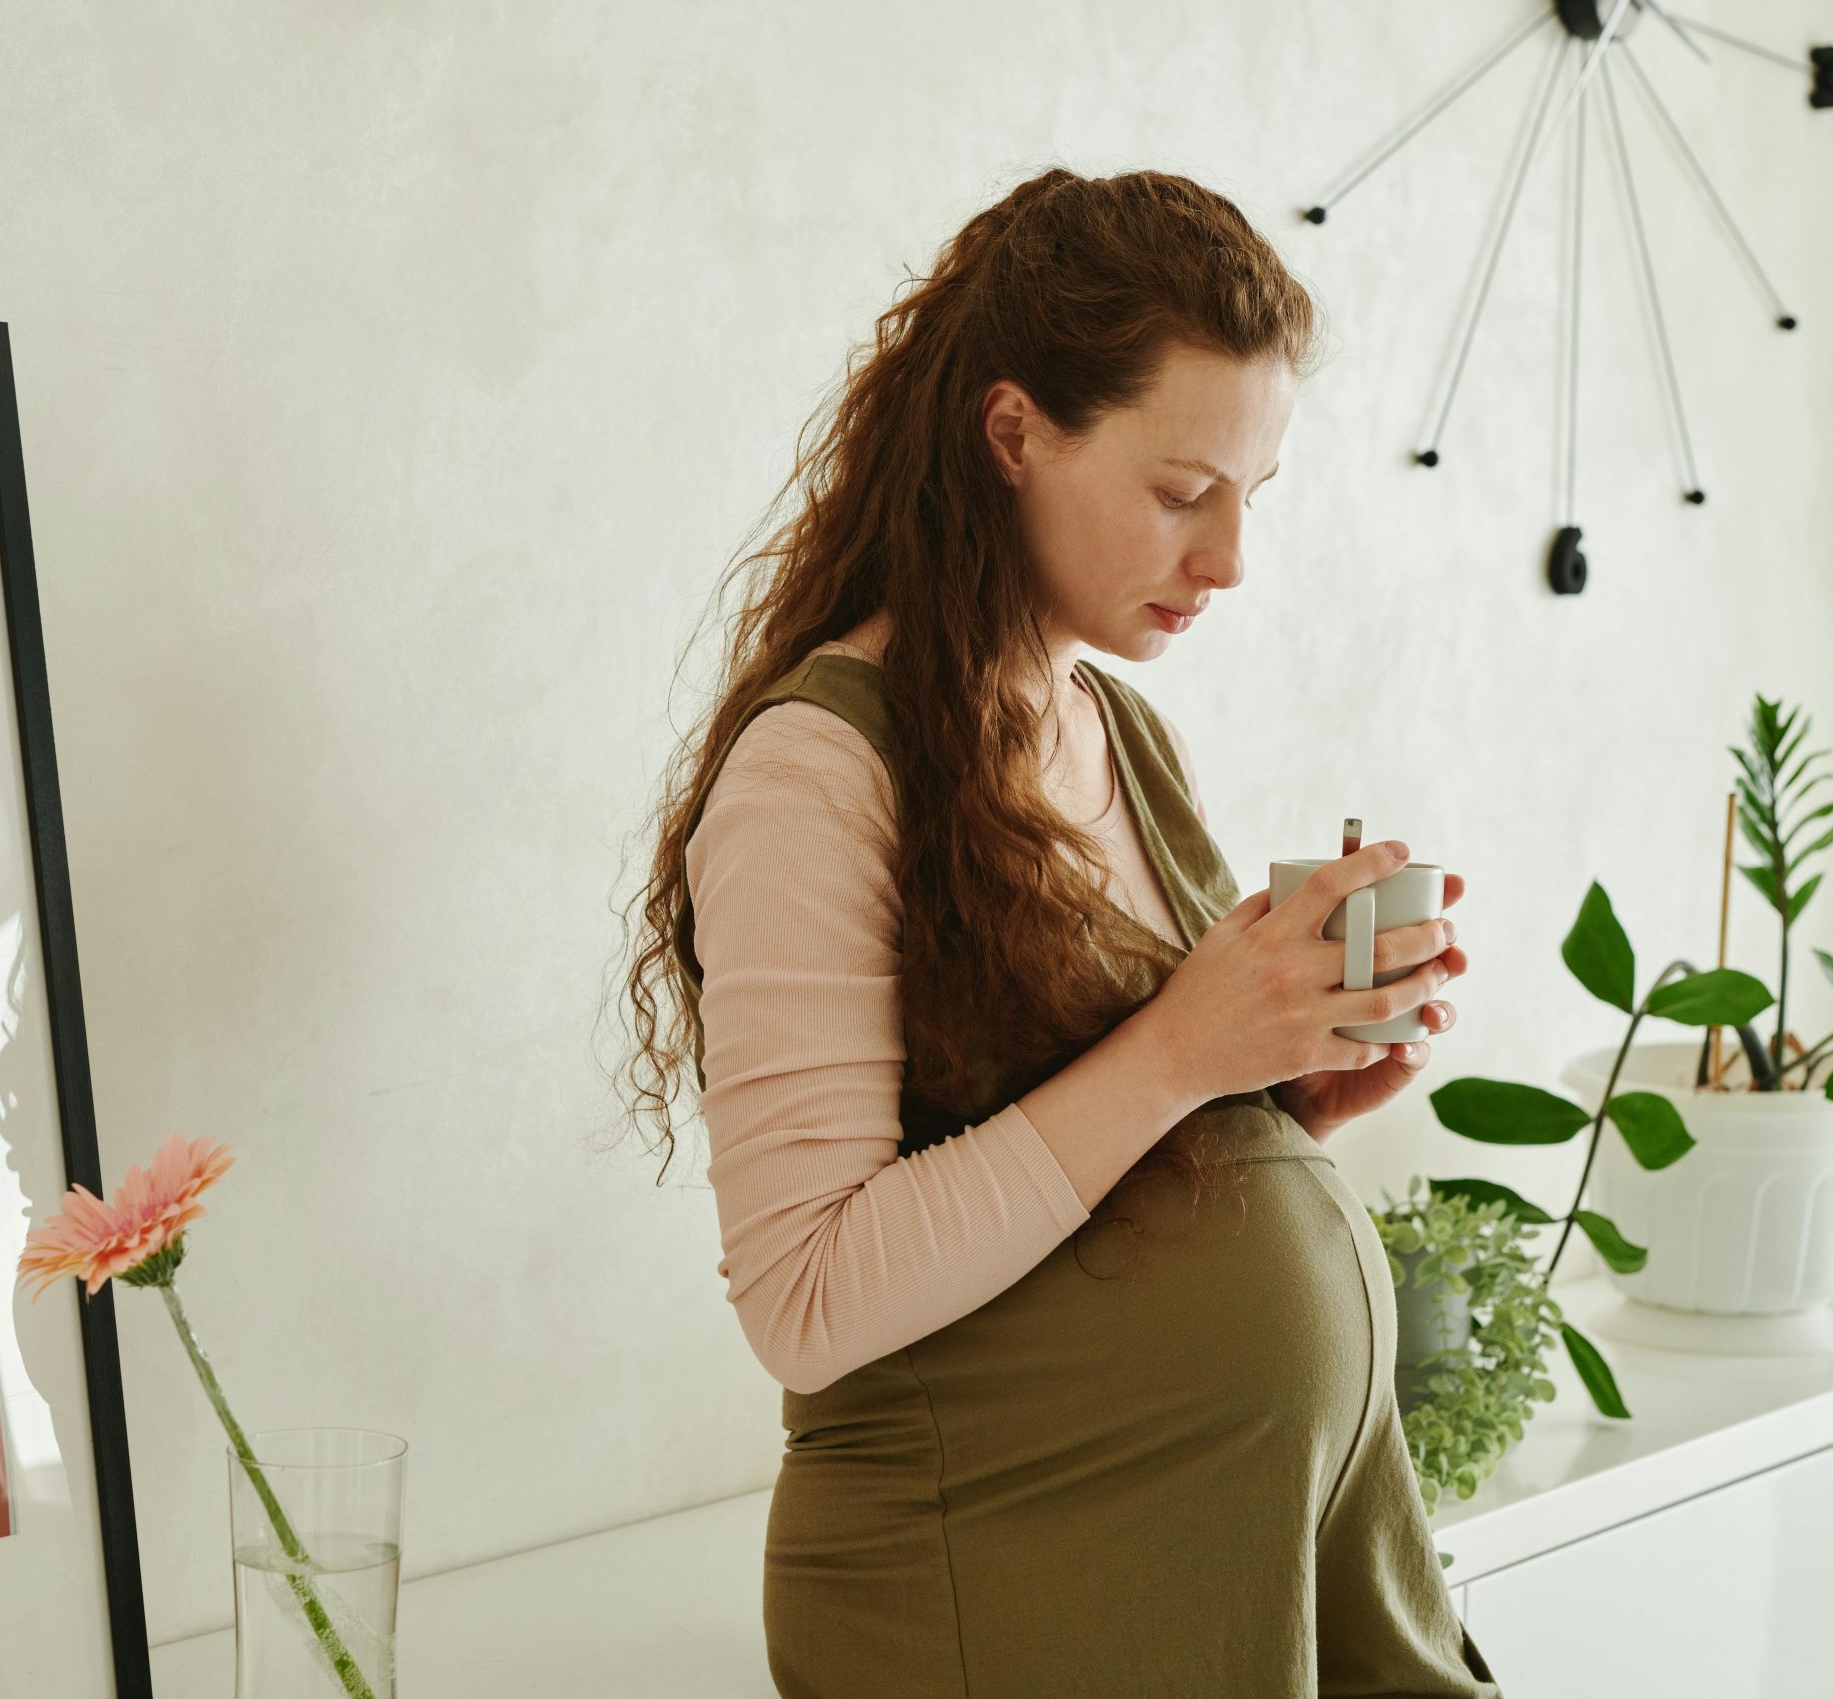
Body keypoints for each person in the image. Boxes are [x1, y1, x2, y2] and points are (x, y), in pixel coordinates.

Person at [612, 166, 1499, 1697]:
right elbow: (807, 1300)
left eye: (1251, 497)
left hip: (1204, 1551)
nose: (1227, 559)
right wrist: (1180, 1055)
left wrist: (1277, 1097)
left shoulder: (1118, 731)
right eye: (1179, 493)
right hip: (1002, 1588)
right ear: (1013, 432)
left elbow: (1075, 1176)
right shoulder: (821, 771)